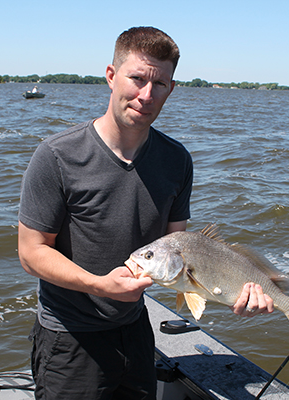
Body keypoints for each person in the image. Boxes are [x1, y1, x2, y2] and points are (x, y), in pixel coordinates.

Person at [18, 26, 273, 400]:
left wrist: (237, 292)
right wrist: (97, 284)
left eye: (160, 84)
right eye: (136, 78)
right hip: (70, 336)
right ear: (110, 76)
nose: (146, 95)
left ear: (172, 88)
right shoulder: (57, 155)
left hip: (137, 330)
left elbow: (184, 251)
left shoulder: (177, 160)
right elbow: (31, 251)